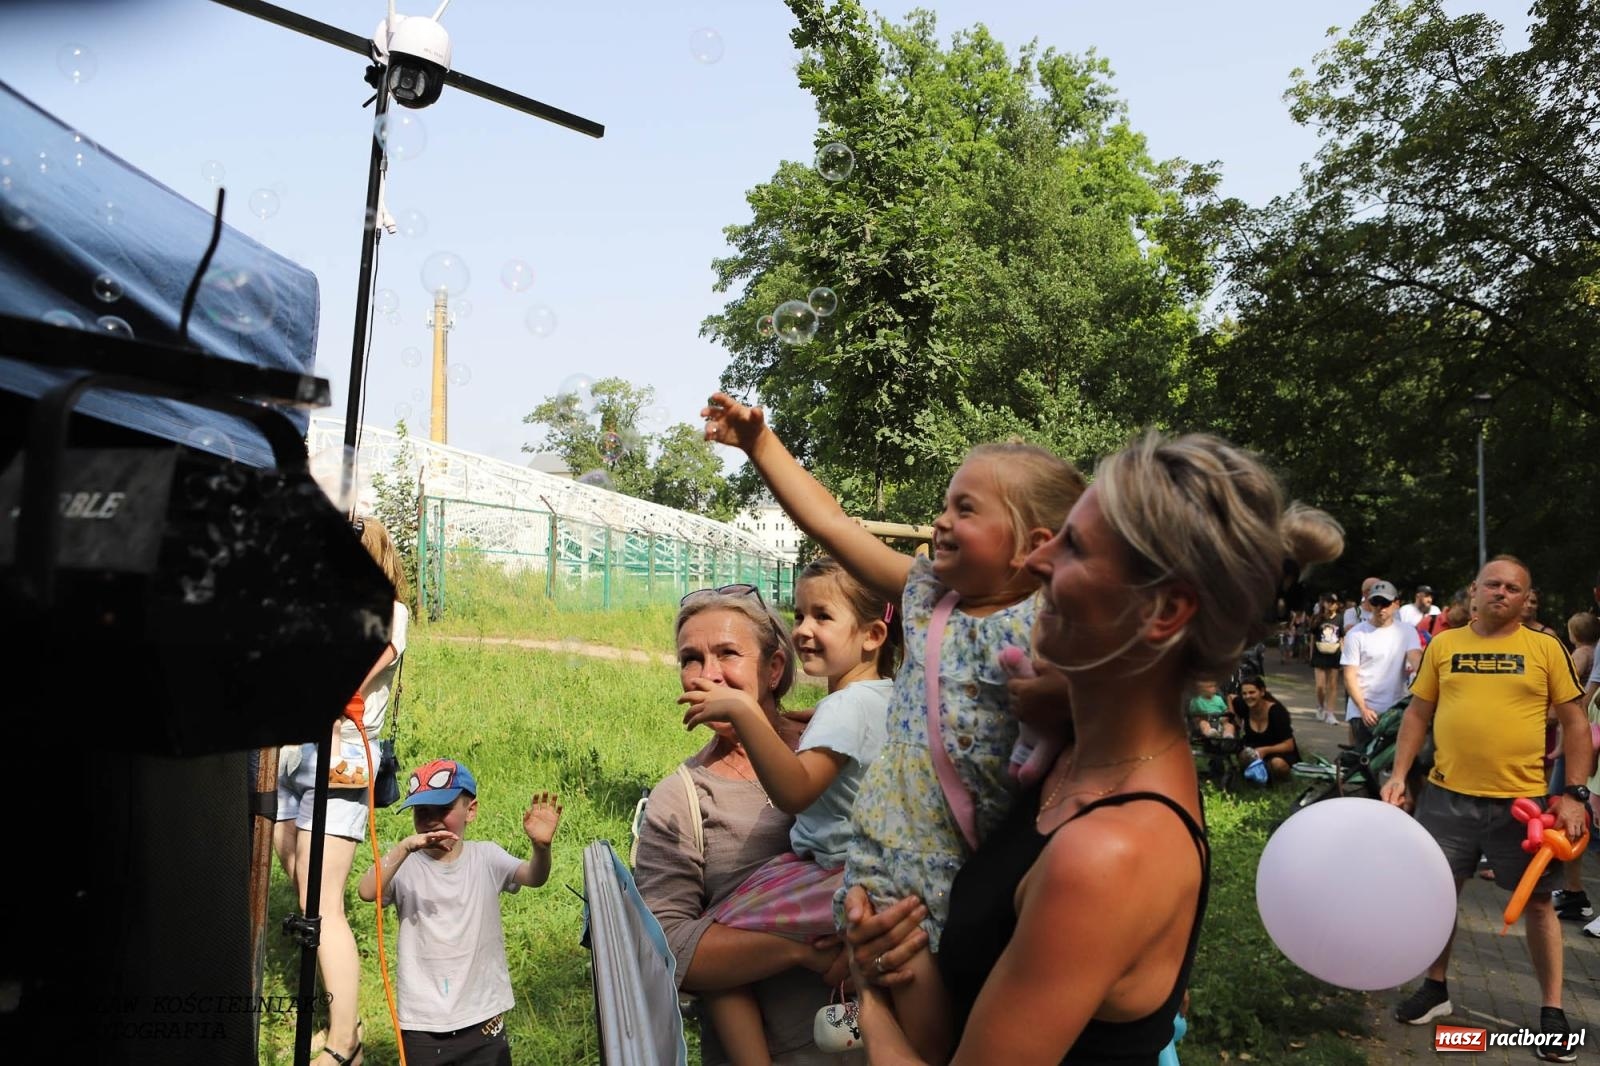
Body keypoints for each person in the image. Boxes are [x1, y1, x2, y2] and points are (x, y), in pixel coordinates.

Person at [837, 429, 1342, 1063]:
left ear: (1163, 612)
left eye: (1073, 547)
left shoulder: (1107, 852)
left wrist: (870, 998)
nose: (1039, 563)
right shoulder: (1071, 760)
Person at [701, 391, 1083, 1061]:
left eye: (965, 508)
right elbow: (835, 528)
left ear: (1036, 546)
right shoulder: (930, 594)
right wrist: (762, 446)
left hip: (948, 857)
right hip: (878, 844)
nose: (939, 520)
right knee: (880, 980)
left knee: (917, 1000)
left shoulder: (1049, 626)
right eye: (945, 503)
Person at [678, 558, 897, 1066]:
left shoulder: (843, 709)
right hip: (881, 872)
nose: (803, 630)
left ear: (872, 634)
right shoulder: (889, 697)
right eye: (799, 615)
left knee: (715, 944)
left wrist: (744, 712)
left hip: (833, 872)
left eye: (822, 616)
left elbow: (794, 792)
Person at [634, 584, 855, 1065]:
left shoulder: (836, 745)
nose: (707, 674)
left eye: (727, 653)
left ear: (773, 669)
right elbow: (665, 947)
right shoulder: (682, 798)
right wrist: (799, 951)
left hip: (888, 1036)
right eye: (690, 658)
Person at [1382, 556, 1589, 1060]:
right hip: (1446, 799)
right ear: (1473, 591)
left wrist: (1575, 794)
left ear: (1526, 598)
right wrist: (1399, 774)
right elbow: (1418, 713)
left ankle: (1553, 1012)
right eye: (1492, 584)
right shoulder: (1445, 646)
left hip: (1523, 807)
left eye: (1512, 588)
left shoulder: (1546, 649)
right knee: (1439, 897)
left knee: (1539, 904)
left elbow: (1576, 724)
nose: (1501, 592)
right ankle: (1435, 987)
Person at [273, 514, 409, 1066]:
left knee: (322, 900)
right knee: (295, 868)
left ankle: (344, 1040)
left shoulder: (390, 614)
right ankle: (345, 1010)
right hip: (295, 748)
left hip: (344, 752)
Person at [356, 762, 561, 1065]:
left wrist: (541, 849)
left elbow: (534, 876)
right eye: (421, 812)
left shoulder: (486, 857)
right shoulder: (405, 867)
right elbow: (367, 891)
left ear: (471, 810)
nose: (430, 820)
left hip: (482, 1016)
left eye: (442, 809)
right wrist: (403, 849)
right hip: (422, 1023)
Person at [1339, 579, 1420, 747]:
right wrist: (1363, 708)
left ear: (1396, 604)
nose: (1380, 607)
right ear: (1369, 603)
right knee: (1364, 764)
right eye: (1375, 602)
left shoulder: (1407, 632)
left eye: (1385, 602)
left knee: (1394, 760)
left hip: (1394, 710)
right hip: (1363, 710)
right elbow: (1349, 676)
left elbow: (1417, 661)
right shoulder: (1356, 634)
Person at [1231, 675, 1299, 783]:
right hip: (1254, 750)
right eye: (1244, 693)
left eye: (1252, 692)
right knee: (1242, 753)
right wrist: (1234, 720)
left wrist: (1265, 750)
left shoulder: (1276, 712)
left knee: (1278, 764)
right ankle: (1256, 777)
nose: (1248, 696)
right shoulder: (1244, 704)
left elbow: (1289, 745)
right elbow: (1230, 697)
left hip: (1277, 751)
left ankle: (1277, 781)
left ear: (1262, 692)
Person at [1309, 593, 1345, 724]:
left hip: (1335, 654)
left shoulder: (1340, 619)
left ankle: (1330, 713)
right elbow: (1312, 637)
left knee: (1333, 685)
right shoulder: (1318, 619)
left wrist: (1344, 656)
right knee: (1320, 686)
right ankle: (1320, 706)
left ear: (1337, 604)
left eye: (1333, 602)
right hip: (1319, 654)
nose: (1330, 604)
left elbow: (1342, 638)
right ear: (1323, 603)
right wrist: (1310, 654)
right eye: (1327, 602)